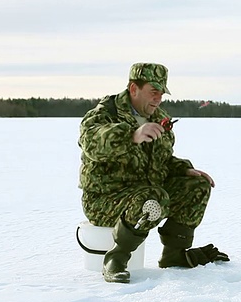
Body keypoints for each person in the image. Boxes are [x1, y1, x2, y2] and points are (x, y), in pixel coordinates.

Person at [78, 62, 229, 283]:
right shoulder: (104, 114)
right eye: (153, 92)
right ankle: (116, 258)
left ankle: (174, 254)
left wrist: (184, 169)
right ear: (133, 89)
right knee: (152, 198)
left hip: (146, 193)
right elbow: (91, 143)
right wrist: (131, 135)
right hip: (105, 199)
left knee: (197, 187)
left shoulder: (159, 118)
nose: (157, 99)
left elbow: (162, 161)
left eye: (161, 94)